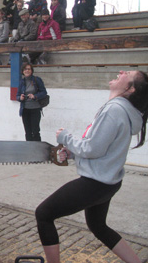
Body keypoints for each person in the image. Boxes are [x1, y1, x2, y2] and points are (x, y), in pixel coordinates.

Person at [36, 70, 148, 263]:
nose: (121, 72)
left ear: (130, 89)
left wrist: (66, 138)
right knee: (98, 226)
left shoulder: (115, 109)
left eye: (127, 73)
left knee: (44, 214)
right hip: (108, 182)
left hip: (95, 183)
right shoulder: (125, 111)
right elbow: (103, 148)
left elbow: (91, 148)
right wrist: (72, 152)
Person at [16, 63, 47, 141]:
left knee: (35, 131)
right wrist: (21, 98)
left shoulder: (37, 80)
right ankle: (28, 150)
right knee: (28, 132)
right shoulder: (22, 82)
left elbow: (44, 92)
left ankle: (37, 150)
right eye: (25, 69)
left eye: (29, 69)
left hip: (35, 109)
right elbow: (17, 95)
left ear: (32, 71)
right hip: (25, 109)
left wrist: (35, 96)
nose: (27, 71)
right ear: (23, 71)